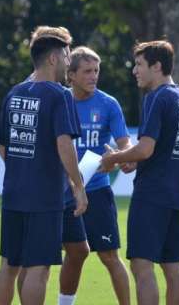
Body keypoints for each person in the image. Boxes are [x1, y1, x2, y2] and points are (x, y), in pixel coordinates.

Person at [0, 25, 88, 305]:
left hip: (13, 194)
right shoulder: (60, 95)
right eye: (68, 56)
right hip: (44, 198)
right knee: (39, 267)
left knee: (8, 266)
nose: (70, 63)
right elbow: (64, 145)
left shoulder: (15, 92)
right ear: (53, 58)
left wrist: (24, 168)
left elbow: (2, 146)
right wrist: (78, 186)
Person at [101, 40, 179, 305]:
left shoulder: (156, 97)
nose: (134, 71)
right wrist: (134, 162)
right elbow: (160, 150)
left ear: (157, 66)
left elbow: (145, 149)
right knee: (173, 269)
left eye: (140, 65)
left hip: (152, 195)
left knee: (142, 268)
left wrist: (114, 159)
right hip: (176, 195)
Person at [57, 46, 132, 305]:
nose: (93, 76)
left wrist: (123, 157)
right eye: (87, 71)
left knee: (110, 256)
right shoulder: (59, 101)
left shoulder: (109, 104)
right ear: (71, 74)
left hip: (98, 190)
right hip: (62, 193)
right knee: (65, 255)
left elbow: (124, 143)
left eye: (96, 71)